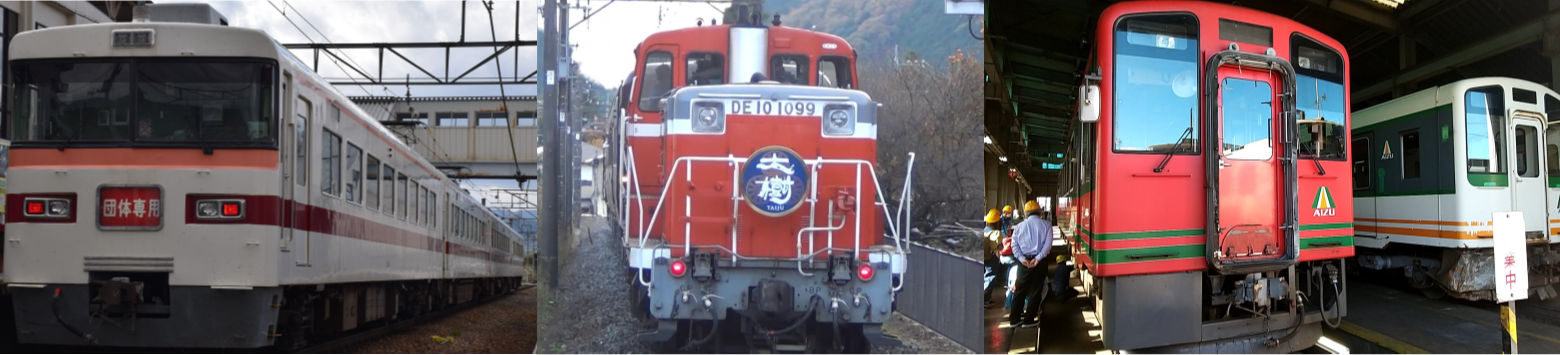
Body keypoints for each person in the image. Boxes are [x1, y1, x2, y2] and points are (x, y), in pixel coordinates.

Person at [1009, 201, 1053, 328]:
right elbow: (1047, 246)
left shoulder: (1019, 227)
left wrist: (1022, 259)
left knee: (1020, 290)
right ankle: (1028, 320)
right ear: (1040, 212)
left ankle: (1014, 319)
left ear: (1026, 213)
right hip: (1039, 263)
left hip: (1024, 263)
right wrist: (1037, 259)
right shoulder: (1047, 225)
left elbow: (1014, 245)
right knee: (1035, 290)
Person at [983, 210, 1004, 308]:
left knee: (984, 277)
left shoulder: (983, 230)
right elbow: (999, 247)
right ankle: (983, 297)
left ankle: (986, 299)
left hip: (983, 257)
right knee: (990, 277)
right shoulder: (996, 233)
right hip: (992, 258)